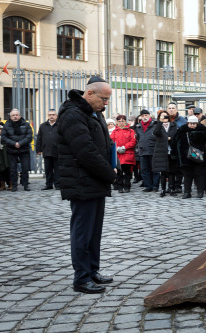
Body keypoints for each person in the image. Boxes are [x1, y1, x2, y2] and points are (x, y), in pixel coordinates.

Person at [57, 76, 117, 294]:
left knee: (94, 231)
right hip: (81, 181)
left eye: (108, 99)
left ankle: (92, 270)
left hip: (95, 180)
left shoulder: (94, 112)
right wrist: (110, 174)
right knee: (82, 232)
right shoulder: (72, 114)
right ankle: (81, 278)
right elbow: (86, 152)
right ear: (89, 93)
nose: (106, 103)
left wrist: (112, 165)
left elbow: (105, 143)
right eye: (103, 98)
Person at [175, 116, 206, 198]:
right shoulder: (182, 129)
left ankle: (200, 192)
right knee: (187, 176)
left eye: (194, 124)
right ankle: (187, 192)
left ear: (197, 123)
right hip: (185, 156)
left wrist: (195, 134)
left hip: (198, 155)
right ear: (187, 123)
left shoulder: (202, 129)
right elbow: (176, 141)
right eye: (190, 123)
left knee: (199, 175)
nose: (192, 125)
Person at [2, 109, 33, 192]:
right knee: (13, 169)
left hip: (24, 149)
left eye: (17, 115)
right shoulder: (6, 125)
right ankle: (14, 186)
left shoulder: (26, 124)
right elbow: (4, 137)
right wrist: (14, 143)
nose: (15, 117)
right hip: (11, 150)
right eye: (13, 115)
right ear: (10, 116)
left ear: (20, 116)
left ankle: (25, 185)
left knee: (25, 168)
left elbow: (29, 136)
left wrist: (20, 143)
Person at [152, 110, 179, 197]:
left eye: (166, 116)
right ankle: (163, 189)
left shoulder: (173, 125)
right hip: (161, 151)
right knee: (163, 171)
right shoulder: (157, 125)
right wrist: (160, 122)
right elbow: (156, 133)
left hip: (171, 151)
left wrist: (171, 138)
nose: (165, 118)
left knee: (172, 171)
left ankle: (171, 188)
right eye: (162, 116)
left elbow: (177, 136)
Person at [110, 115, 137, 193]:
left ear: (125, 121)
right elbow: (111, 141)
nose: (121, 123)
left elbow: (133, 141)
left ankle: (127, 185)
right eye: (119, 121)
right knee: (119, 171)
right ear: (117, 122)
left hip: (127, 153)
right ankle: (120, 186)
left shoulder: (131, 131)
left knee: (127, 171)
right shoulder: (114, 132)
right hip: (118, 154)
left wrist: (125, 147)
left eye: (123, 121)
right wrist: (117, 148)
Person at [134, 109, 159, 192]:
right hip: (142, 150)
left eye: (146, 115)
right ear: (140, 117)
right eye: (143, 116)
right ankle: (148, 186)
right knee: (144, 170)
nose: (145, 117)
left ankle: (155, 186)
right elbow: (137, 137)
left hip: (153, 150)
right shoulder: (138, 126)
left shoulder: (155, 125)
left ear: (149, 115)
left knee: (155, 169)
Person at [36, 109, 60, 190]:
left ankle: (57, 185)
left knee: (57, 169)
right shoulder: (43, 126)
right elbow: (39, 138)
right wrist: (38, 149)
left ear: (56, 116)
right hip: (46, 151)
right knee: (48, 169)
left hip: (57, 151)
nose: (51, 116)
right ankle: (48, 184)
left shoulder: (60, 125)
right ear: (48, 116)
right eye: (50, 115)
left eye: (53, 114)